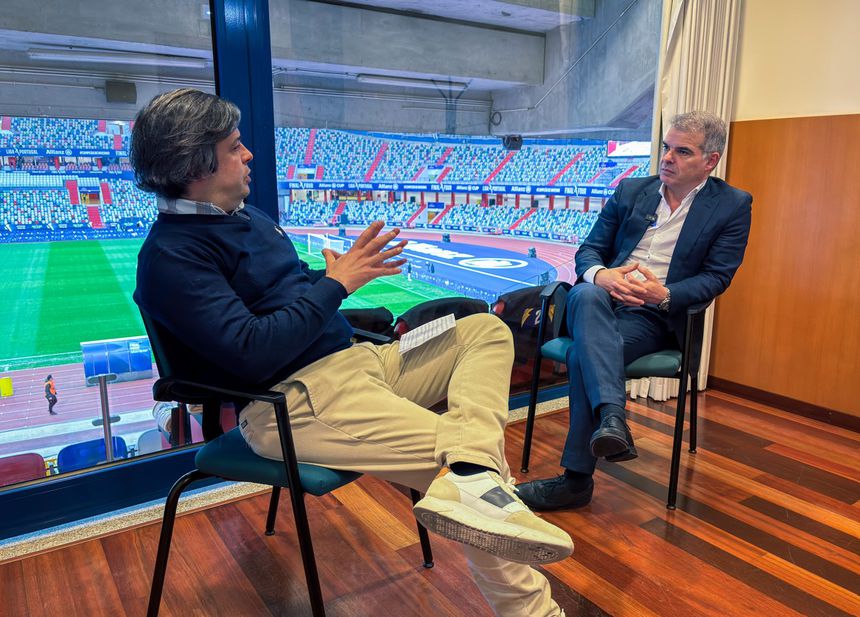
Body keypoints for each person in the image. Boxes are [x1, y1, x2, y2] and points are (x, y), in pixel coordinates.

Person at [130, 88, 570, 617]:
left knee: (482, 328)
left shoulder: (247, 217)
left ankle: (475, 474)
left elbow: (280, 298)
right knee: (456, 471)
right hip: (294, 401)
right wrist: (334, 285)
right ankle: (527, 592)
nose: (247, 155)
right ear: (195, 164)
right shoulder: (171, 259)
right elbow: (251, 353)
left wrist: (328, 279)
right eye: (234, 146)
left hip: (364, 362)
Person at [516, 111, 752, 511]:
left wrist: (661, 294)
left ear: (710, 161)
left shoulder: (732, 205)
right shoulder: (631, 191)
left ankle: (577, 480)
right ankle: (612, 417)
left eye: (682, 151)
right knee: (587, 295)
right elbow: (588, 250)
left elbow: (716, 277)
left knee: (582, 354)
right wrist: (603, 276)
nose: (667, 158)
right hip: (599, 302)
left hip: (653, 315)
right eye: (666, 148)